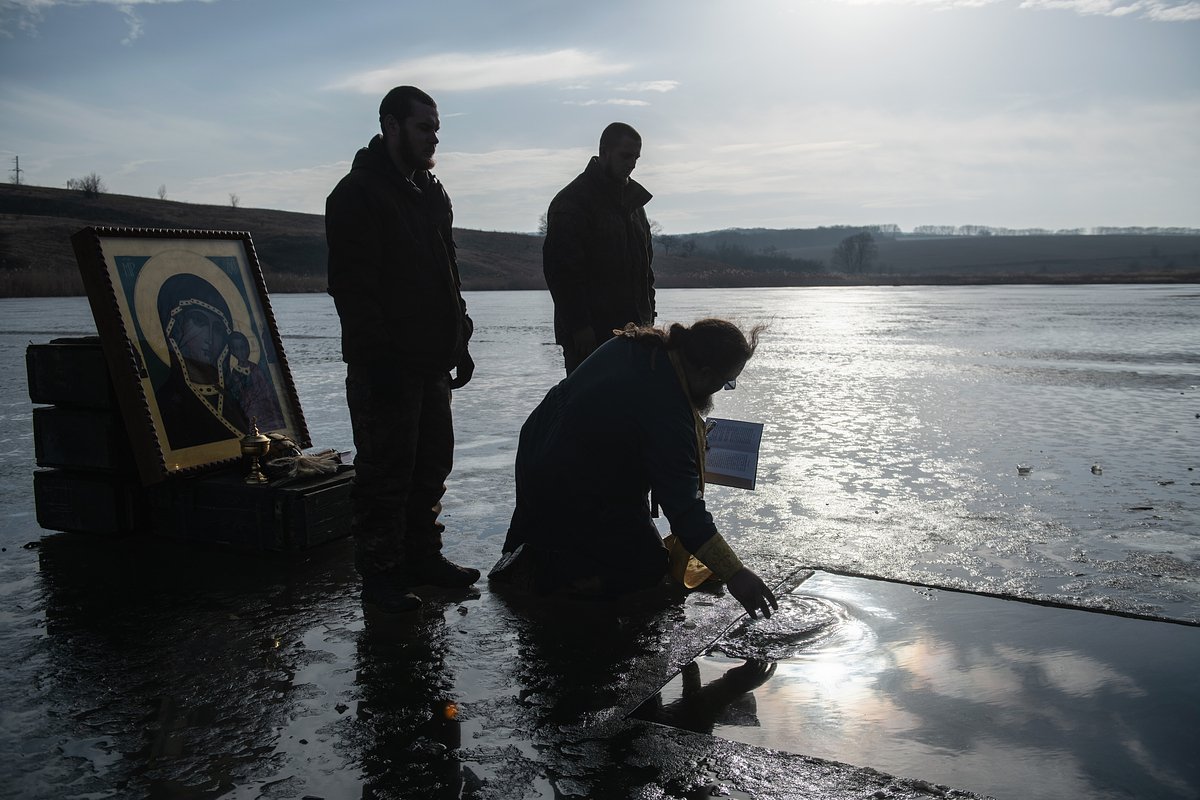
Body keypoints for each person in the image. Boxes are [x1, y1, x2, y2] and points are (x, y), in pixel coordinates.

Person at [491, 319, 779, 620]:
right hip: (569, 478)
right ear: (705, 373)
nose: (722, 390)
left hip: (541, 446)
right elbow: (684, 512)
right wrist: (736, 573)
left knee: (625, 540)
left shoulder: (644, 346)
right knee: (646, 566)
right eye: (726, 382)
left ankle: (549, 551)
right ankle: (556, 579)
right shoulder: (666, 411)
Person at [326, 85, 479, 613]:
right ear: (391, 126)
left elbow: (447, 272)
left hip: (433, 358)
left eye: (436, 128)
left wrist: (460, 335)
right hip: (385, 365)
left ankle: (423, 557)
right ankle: (382, 581)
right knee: (384, 476)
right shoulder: (356, 194)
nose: (433, 137)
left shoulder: (432, 193)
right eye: (423, 128)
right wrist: (380, 359)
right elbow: (352, 289)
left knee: (431, 466)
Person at [542, 122, 655, 375]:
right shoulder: (572, 201)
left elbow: (646, 270)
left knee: (631, 409)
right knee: (590, 409)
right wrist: (580, 327)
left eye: (636, 157)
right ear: (604, 152)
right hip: (590, 337)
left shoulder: (636, 205)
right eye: (626, 156)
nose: (632, 164)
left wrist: (648, 320)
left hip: (635, 332)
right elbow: (562, 272)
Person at [154, 273, 249, 449]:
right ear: (175, 326)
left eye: (219, 329)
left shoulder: (230, 397)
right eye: (199, 321)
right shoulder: (167, 402)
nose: (210, 338)